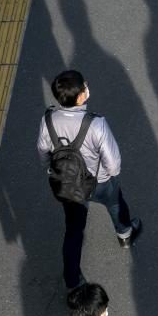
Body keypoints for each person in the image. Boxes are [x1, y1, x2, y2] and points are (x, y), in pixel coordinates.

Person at [37, 70, 143, 289]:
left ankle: (72, 281)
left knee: (73, 230)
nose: (86, 87)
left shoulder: (48, 119)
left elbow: (42, 151)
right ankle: (124, 233)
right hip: (99, 182)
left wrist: (52, 172)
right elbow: (113, 165)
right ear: (80, 98)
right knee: (115, 202)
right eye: (84, 86)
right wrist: (108, 178)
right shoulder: (96, 124)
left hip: (68, 185)